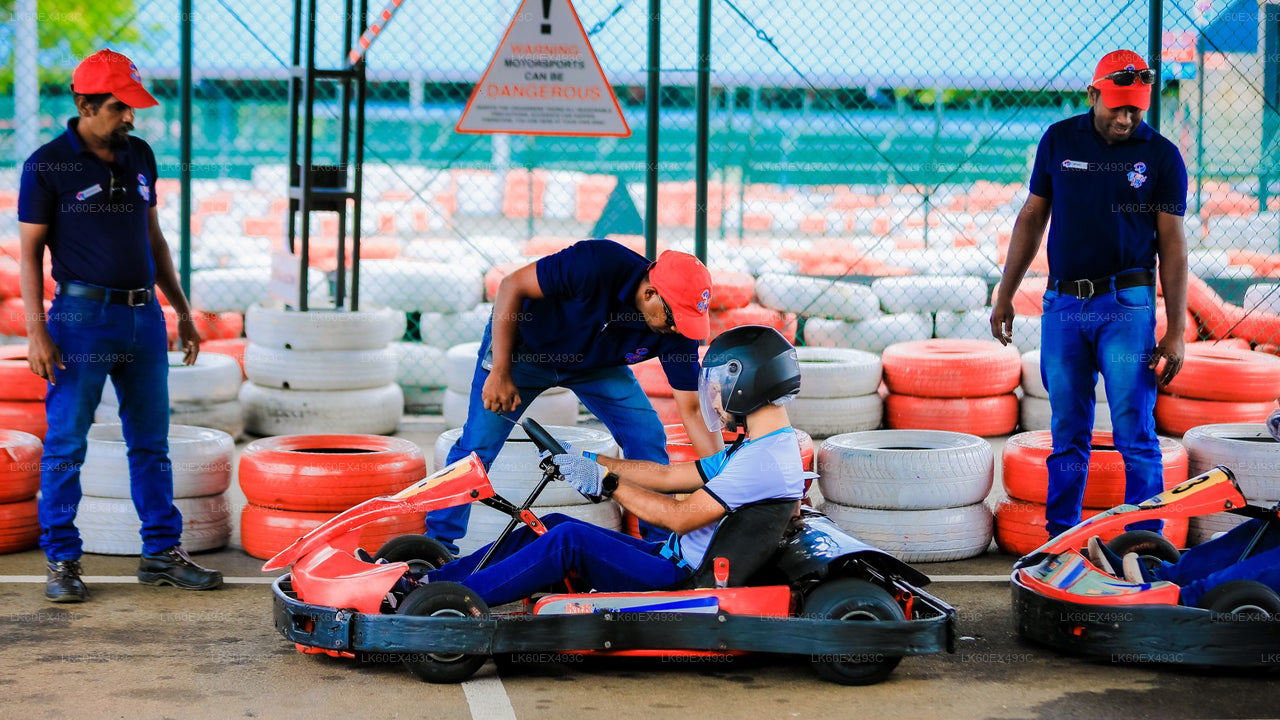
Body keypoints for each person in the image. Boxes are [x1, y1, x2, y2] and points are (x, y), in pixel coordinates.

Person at [17, 49, 223, 602]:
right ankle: (62, 559)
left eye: (133, 106)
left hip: (144, 318)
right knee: (66, 444)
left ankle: (160, 552)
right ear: (84, 105)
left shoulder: (141, 155)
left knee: (151, 443)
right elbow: (29, 254)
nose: (130, 116)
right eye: (118, 107)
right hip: (80, 320)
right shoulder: (46, 165)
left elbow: (154, 239)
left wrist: (181, 311)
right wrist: (36, 331)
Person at [421, 325, 806, 607]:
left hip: (681, 580)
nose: (716, 400)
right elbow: (668, 475)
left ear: (746, 382)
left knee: (568, 541)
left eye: (719, 389)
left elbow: (679, 517)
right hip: (669, 558)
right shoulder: (762, 446)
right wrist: (587, 460)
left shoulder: (763, 462)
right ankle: (430, 583)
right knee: (553, 524)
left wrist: (606, 483)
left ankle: (449, 602)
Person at [990, 49, 1189, 539]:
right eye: (1117, 107)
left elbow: (1173, 245)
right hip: (1063, 306)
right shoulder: (1059, 140)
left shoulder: (1161, 156)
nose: (1126, 118)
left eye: (1136, 109)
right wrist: (1005, 293)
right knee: (1067, 432)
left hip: (1127, 307)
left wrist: (1177, 331)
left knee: (1134, 432)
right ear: (1092, 94)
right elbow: (1032, 217)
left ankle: (1144, 547)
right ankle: (1061, 542)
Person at [429, 239, 724, 554]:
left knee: (647, 435)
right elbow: (511, 285)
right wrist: (500, 370)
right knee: (477, 447)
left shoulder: (678, 333)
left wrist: (725, 477)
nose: (679, 330)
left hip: (595, 366)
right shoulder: (596, 262)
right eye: (675, 319)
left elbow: (693, 409)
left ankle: (660, 548)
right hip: (522, 353)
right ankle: (435, 548)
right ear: (650, 294)